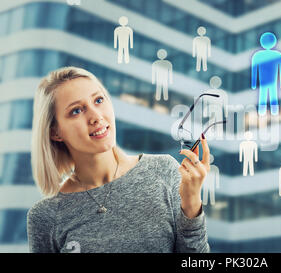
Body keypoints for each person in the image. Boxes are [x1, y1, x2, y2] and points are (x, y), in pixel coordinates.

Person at [27, 66, 210, 253]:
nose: (96, 117)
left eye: (98, 100)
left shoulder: (163, 170)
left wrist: (191, 203)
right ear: (55, 132)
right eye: (76, 111)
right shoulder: (46, 216)